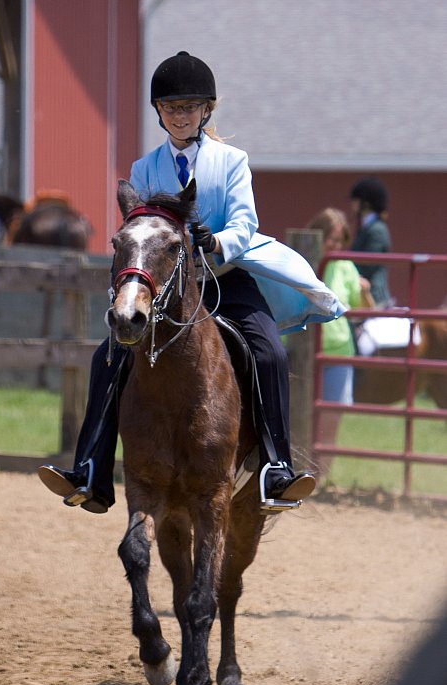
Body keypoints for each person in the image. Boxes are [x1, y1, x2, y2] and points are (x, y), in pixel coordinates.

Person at [38, 51, 345, 515]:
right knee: (110, 355)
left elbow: (246, 223)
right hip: (169, 289)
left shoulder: (233, 161)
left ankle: (276, 469)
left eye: (189, 107)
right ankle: (91, 469)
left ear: (207, 111)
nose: (180, 116)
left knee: (269, 351)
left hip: (227, 275)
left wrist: (215, 241)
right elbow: (142, 228)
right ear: (159, 112)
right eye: (171, 108)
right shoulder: (144, 170)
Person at [307, 207, 374, 472]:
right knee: (295, 415)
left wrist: (366, 292)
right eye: (329, 238)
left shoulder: (346, 266)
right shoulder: (301, 259)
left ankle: (322, 475)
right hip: (303, 351)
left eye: (339, 240)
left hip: (337, 352)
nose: (334, 245)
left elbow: (366, 310)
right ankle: (295, 471)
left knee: (331, 418)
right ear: (317, 234)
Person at [349, 175, 393, 307]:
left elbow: (368, 264)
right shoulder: (366, 227)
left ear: (365, 203)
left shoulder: (377, 230)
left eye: (356, 200)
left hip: (374, 297)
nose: (352, 204)